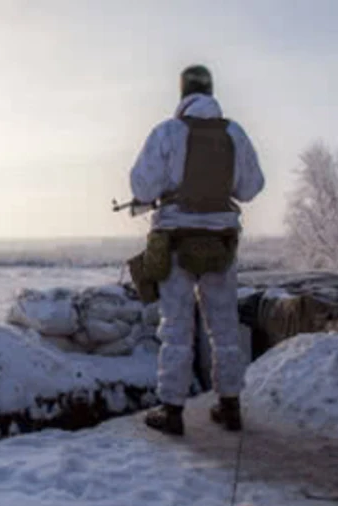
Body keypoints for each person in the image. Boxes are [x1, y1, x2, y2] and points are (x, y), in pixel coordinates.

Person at [129, 64, 265, 436]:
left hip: (176, 238)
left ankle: (172, 411)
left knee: (176, 328)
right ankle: (230, 405)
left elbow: (141, 187)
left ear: (182, 93)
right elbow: (251, 187)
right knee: (224, 327)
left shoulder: (167, 132)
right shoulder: (234, 133)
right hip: (221, 243)